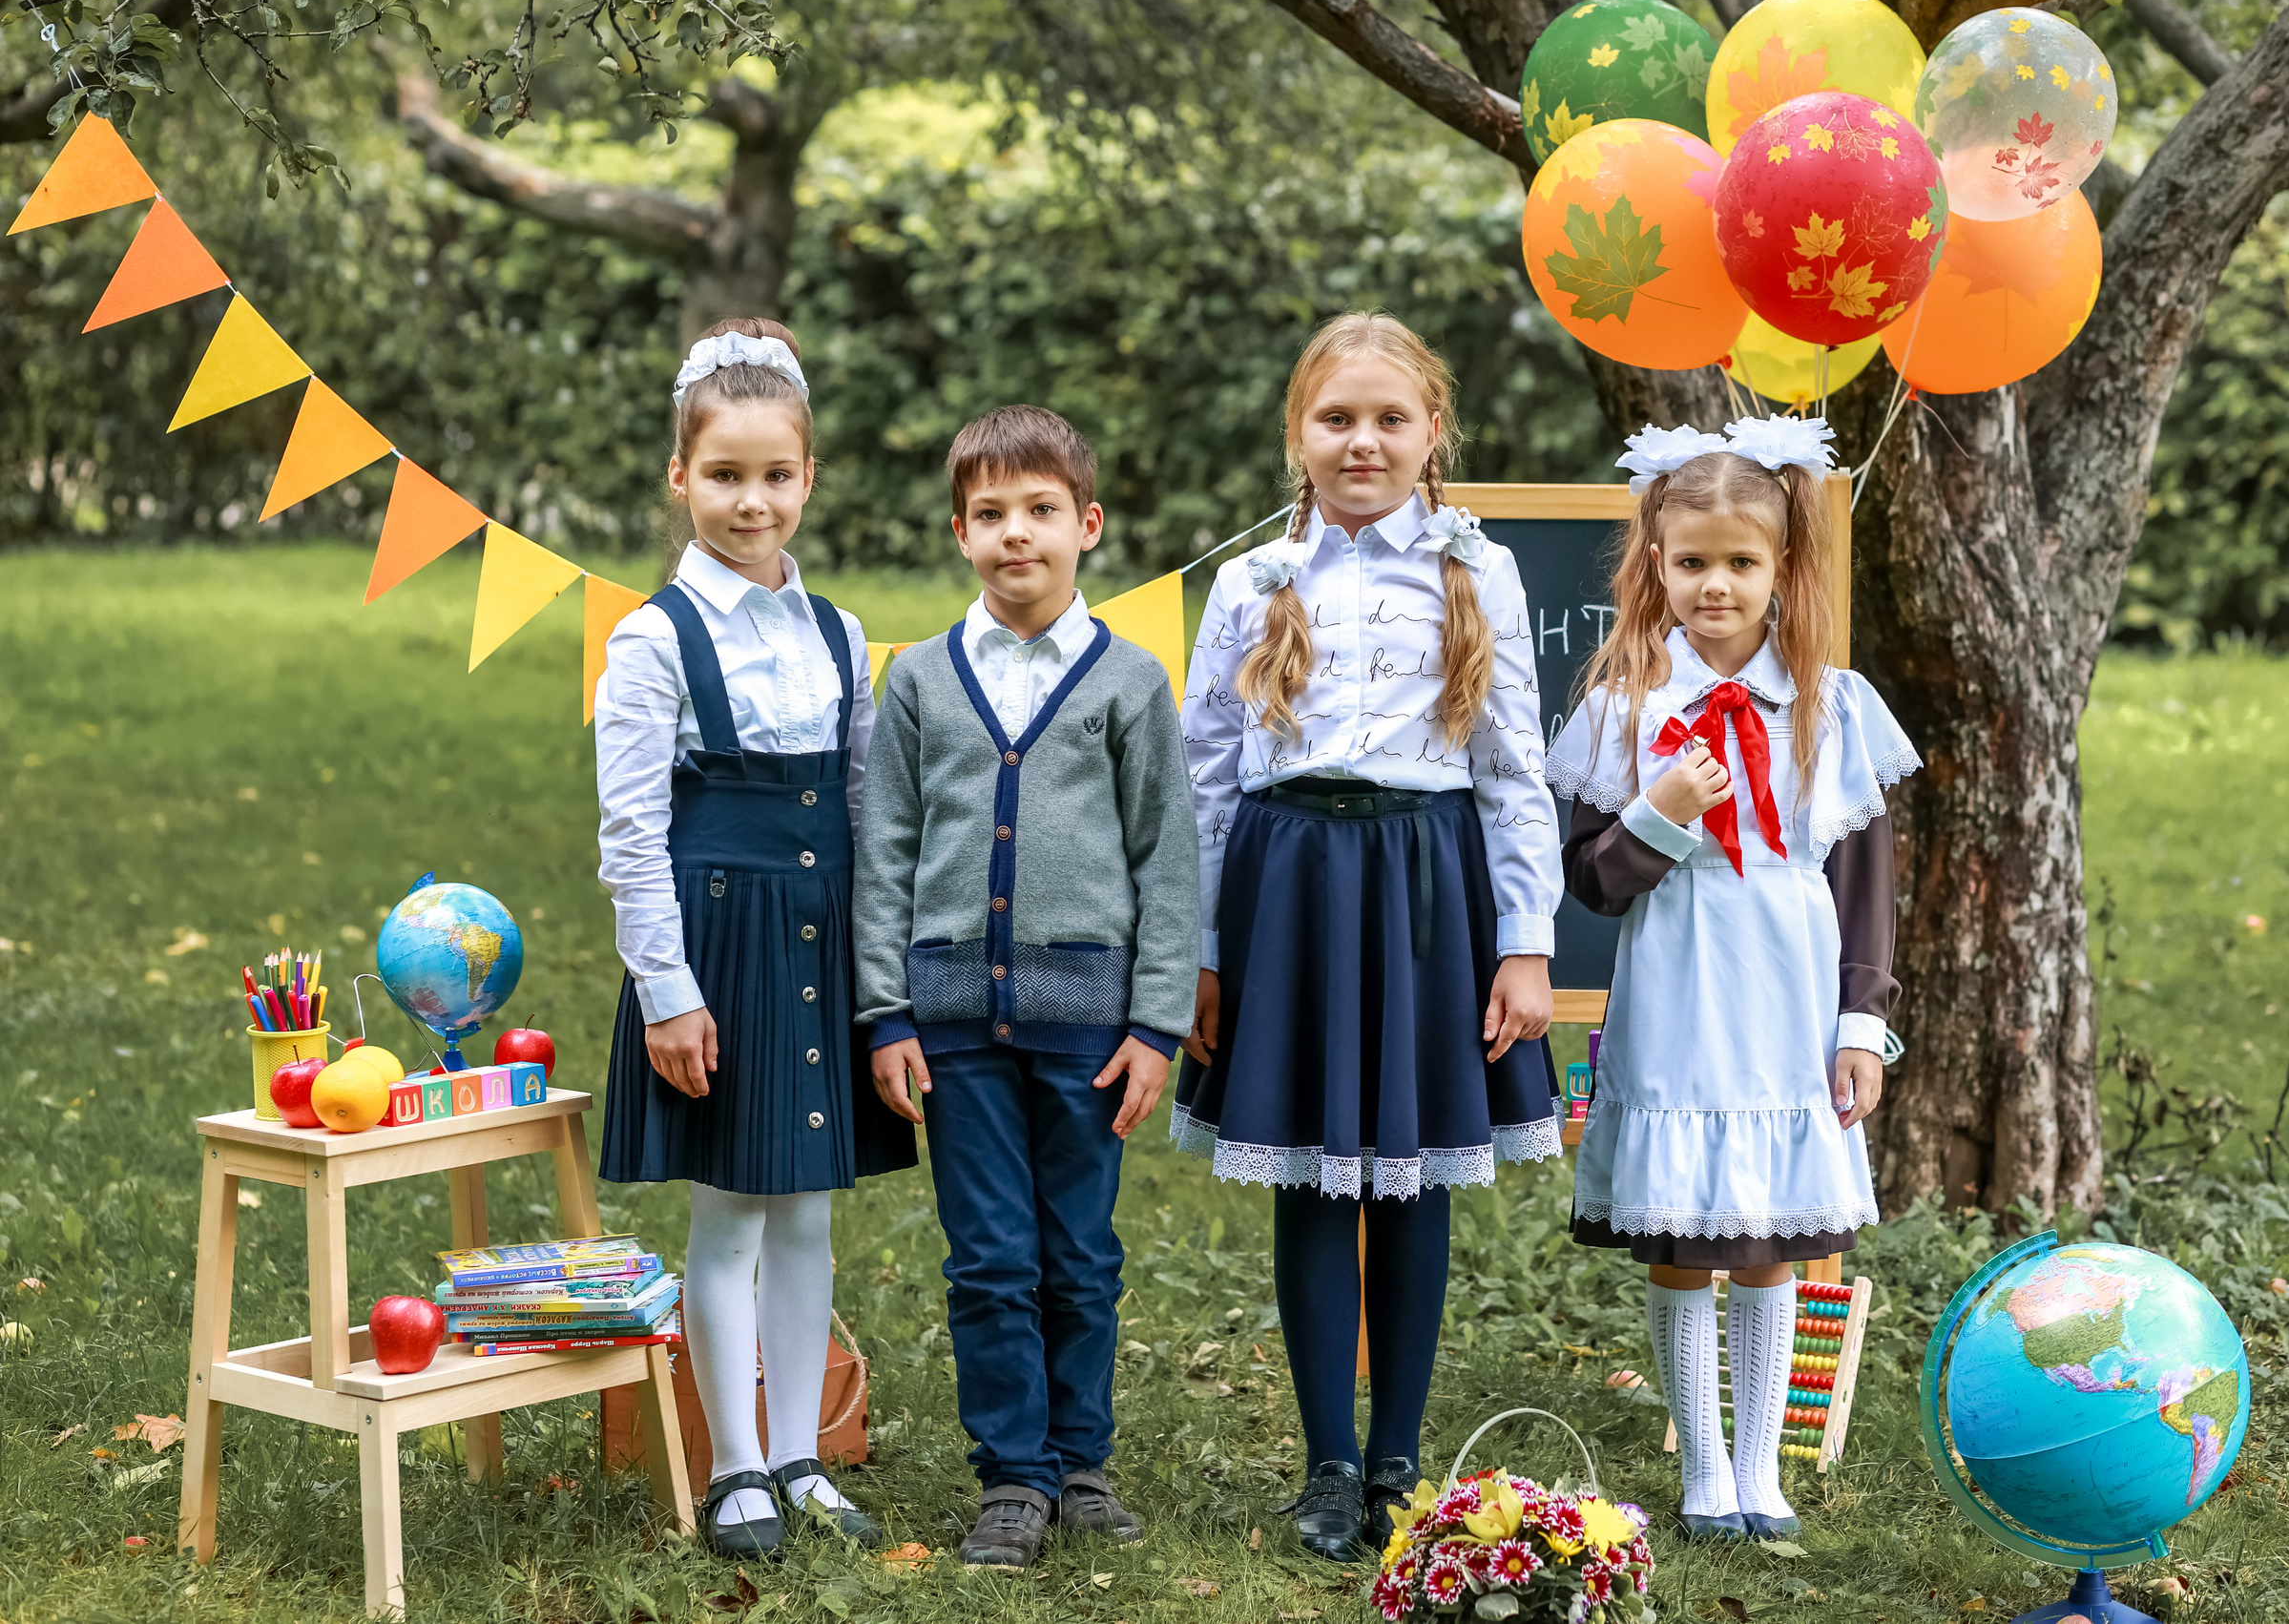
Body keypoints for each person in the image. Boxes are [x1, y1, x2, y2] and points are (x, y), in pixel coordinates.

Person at [1171, 311, 1564, 1562]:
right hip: (1286, 891)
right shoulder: (1251, 583)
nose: (1362, 440)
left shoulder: (1474, 569)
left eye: (1390, 418)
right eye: (1337, 417)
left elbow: (1512, 770)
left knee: (1408, 1172)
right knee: (1306, 1170)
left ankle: (1398, 1455)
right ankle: (1327, 1461)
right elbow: (1207, 781)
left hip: (1423, 892)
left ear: (1431, 432)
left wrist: (1526, 940)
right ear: (1298, 433)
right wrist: (1200, 953)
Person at [1543, 417, 1919, 1542]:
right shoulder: (1621, 708)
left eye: (1740, 563)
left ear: (1781, 569)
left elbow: (1862, 883)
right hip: (1680, 986)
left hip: (1790, 989)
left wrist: (1862, 1020)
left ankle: (1762, 1469)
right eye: (1693, 560)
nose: (1716, 584)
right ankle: (1704, 1468)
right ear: (1654, 558)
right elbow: (1594, 888)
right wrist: (1658, 818)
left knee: (1771, 1240)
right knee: (1685, 1241)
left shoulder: (1826, 705)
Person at [856, 405, 1200, 1570]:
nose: (1017, 535)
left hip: (1087, 1026)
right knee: (989, 1255)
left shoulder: (1130, 682)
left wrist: (1156, 1023)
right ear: (960, 531)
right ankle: (1011, 1476)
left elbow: (1167, 858)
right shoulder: (918, 683)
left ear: (1086, 525)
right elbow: (885, 851)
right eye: (991, 514)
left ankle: (1082, 1461)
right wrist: (885, 1012)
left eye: (1040, 511)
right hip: (950, 1022)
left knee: (1080, 1251)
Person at [594, 318, 916, 1561]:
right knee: (731, 1205)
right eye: (724, 474)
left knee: (810, 1210)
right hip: (719, 951)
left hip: (821, 937)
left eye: (775, 474)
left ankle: (799, 1450)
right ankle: (733, 1462)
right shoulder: (653, 639)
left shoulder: (838, 635)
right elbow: (631, 834)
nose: (752, 499)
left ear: (808, 479)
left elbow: (868, 806)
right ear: (680, 476)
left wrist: (879, 981)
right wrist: (668, 990)